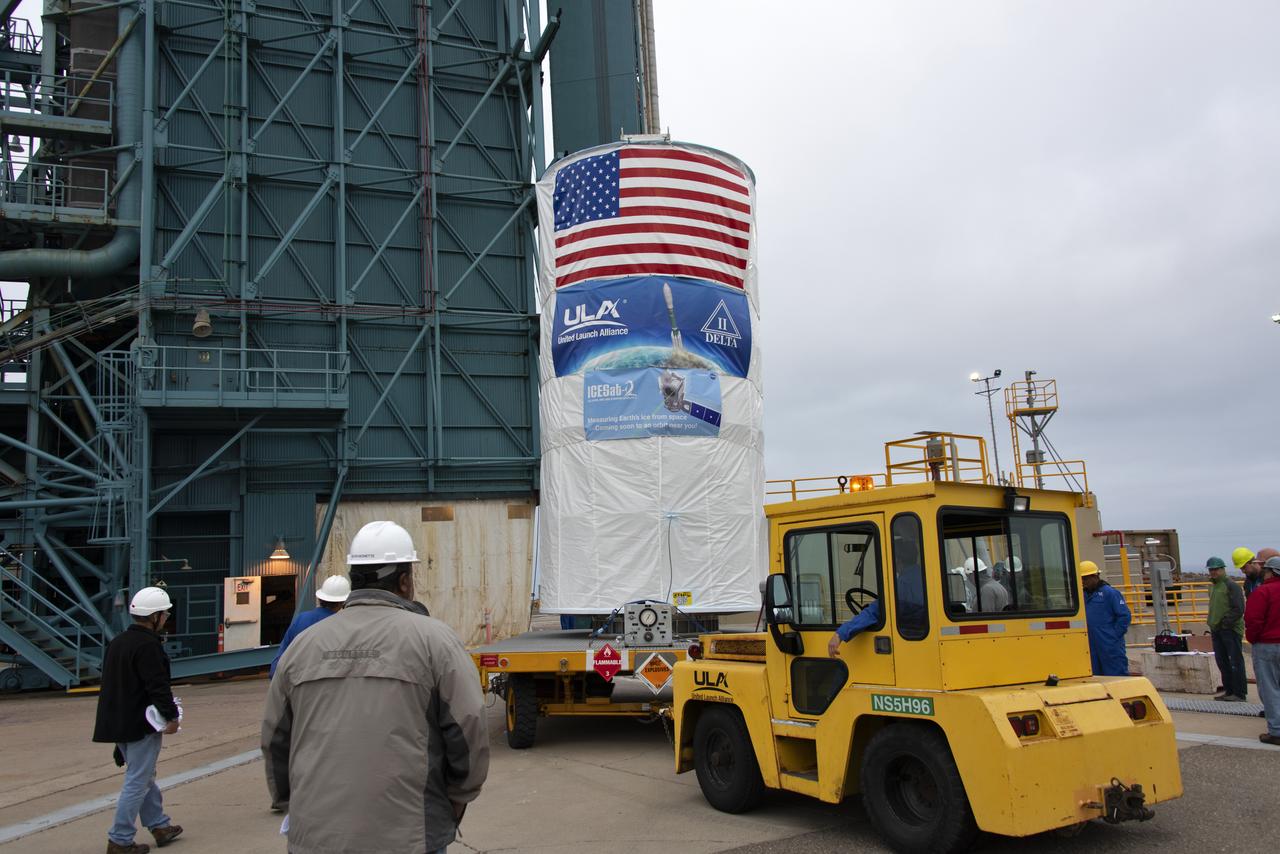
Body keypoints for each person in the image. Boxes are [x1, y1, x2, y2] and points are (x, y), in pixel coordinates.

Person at [262, 520, 489, 853]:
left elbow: (275, 737)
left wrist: (290, 800)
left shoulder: (303, 646)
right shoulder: (435, 641)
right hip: (411, 835)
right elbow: (468, 726)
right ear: (404, 581)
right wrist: (460, 796)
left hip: (316, 835)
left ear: (354, 578)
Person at [93, 587, 185, 854]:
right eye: (165, 613)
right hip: (141, 723)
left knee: (143, 777)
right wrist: (172, 717)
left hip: (119, 722)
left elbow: (112, 687)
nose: (167, 617)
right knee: (137, 780)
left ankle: (159, 825)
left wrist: (116, 737)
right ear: (155, 616)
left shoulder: (118, 642)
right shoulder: (149, 646)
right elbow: (157, 686)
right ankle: (120, 839)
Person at [268, 575, 350, 677]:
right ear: (343, 602)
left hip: (294, 681)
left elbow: (280, 658)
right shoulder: (342, 625)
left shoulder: (300, 619)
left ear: (320, 598)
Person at [1245, 556, 1280, 746]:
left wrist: (1253, 638)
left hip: (1267, 645)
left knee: (1270, 688)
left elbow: (1253, 620)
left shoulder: (1262, 592)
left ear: (1271, 572)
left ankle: (1276, 731)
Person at [1205, 557, 1247, 702]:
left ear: (1223, 569)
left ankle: (1239, 693)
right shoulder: (1213, 586)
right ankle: (1229, 690)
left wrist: (1225, 624)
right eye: (1211, 569)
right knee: (1222, 661)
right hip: (1217, 629)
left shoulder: (1231, 586)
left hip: (1230, 630)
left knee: (1235, 661)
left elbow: (1238, 608)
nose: (1213, 572)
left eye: (1216, 569)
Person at [1080, 560, 1131, 676]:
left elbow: (1124, 616)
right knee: (1095, 677)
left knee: (1116, 676)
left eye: (1085, 578)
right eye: (1081, 579)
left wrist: (1113, 635)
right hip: (1091, 644)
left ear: (1095, 576)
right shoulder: (1083, 595)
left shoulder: (1110, 593)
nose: (1083, 582)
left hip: (1109, 644)